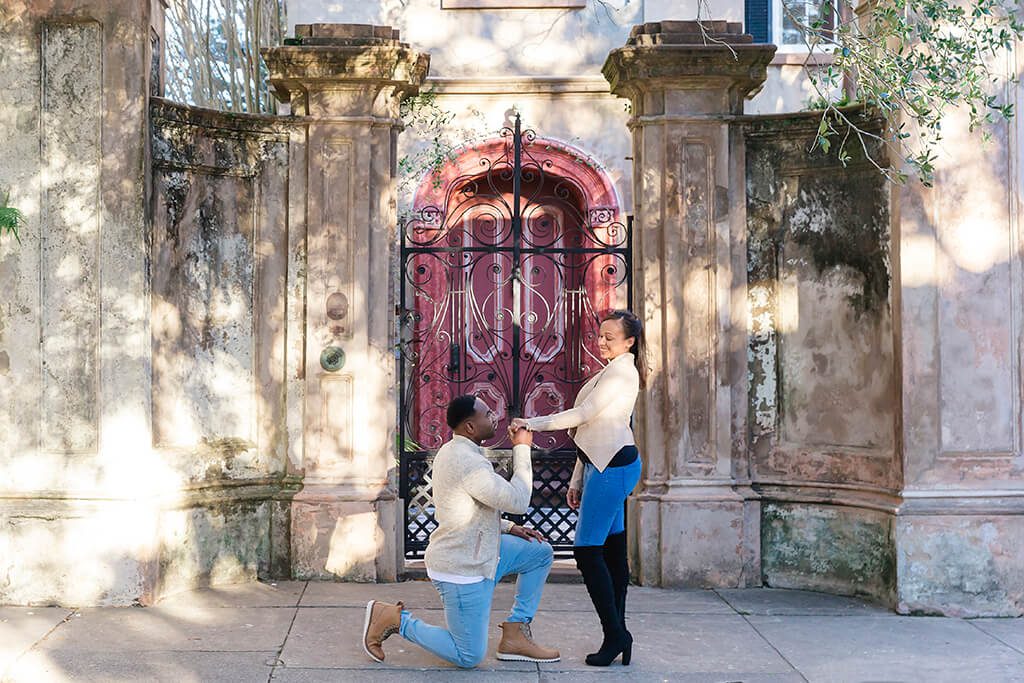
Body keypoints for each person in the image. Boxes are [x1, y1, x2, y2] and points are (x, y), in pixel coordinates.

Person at [362, 394, 561, 668]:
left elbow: (464, 510)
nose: (495, 416)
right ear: (470, 426)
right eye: (488, 413)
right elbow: (518, 500)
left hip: (483, 552)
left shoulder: (458, 451)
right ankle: (396, 620)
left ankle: (515, 633)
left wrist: (509, 526)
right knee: (468, 655)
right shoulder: (468, 462)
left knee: (539, 553)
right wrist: (523, 449)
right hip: (461, 568)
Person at [511, 309, 645, 667]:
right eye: (600, 336)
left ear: (629, 341)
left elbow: (584, 415)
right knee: (613, 553)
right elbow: (593, 431)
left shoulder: (622, 373)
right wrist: (576, 479)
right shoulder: (613, 369)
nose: (601, 342)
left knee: (587, 552)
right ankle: (619, 633)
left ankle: (615, 634)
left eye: (610, 337)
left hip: (613, 468)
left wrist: (532, 423)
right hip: (606, 465)